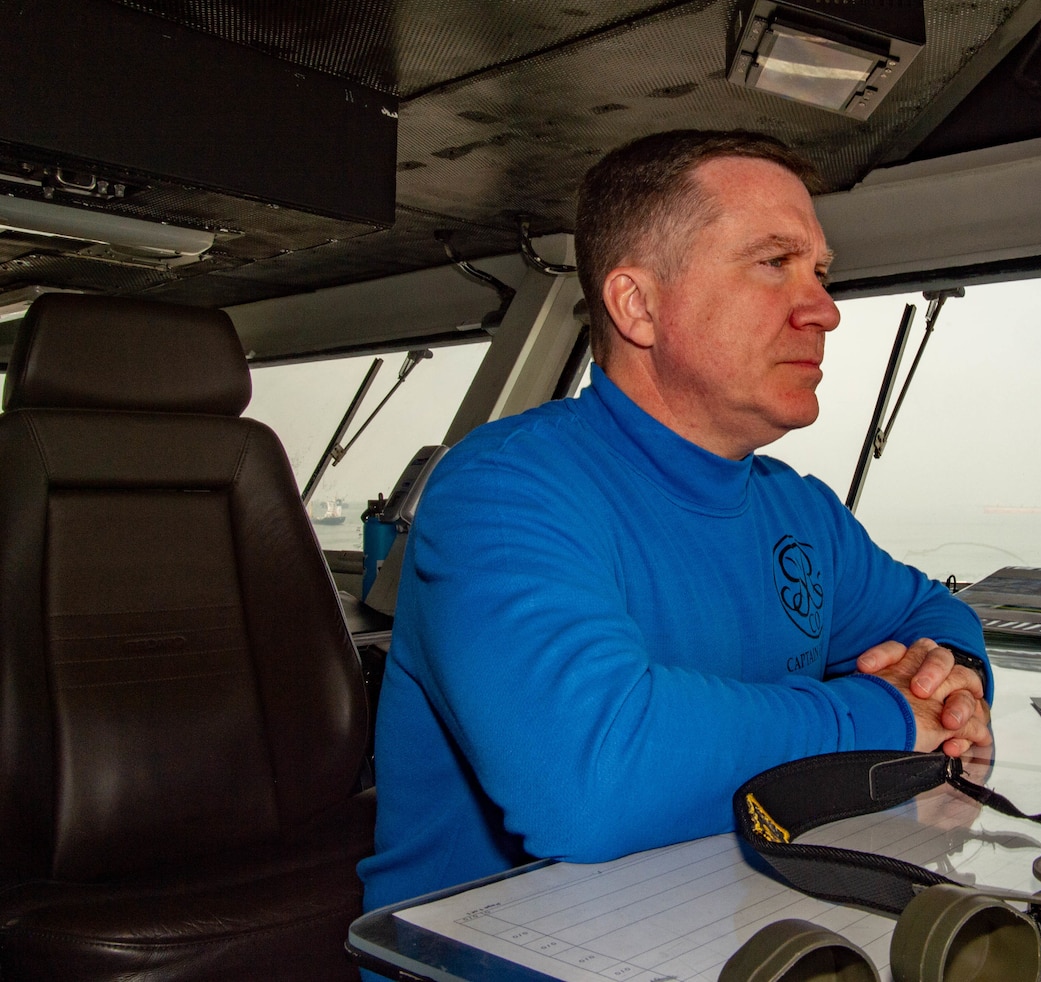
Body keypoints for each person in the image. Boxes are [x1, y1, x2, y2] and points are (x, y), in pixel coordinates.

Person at [359, 130, 992, 918]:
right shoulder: (503, 489)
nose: (824, 309)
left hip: (720, 919)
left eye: (821, 272)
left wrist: (954, 682)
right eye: (774, 263)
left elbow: (933, 615)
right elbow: (587, 779)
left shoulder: (797, 509)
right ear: (639, 305)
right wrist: (894, 715)